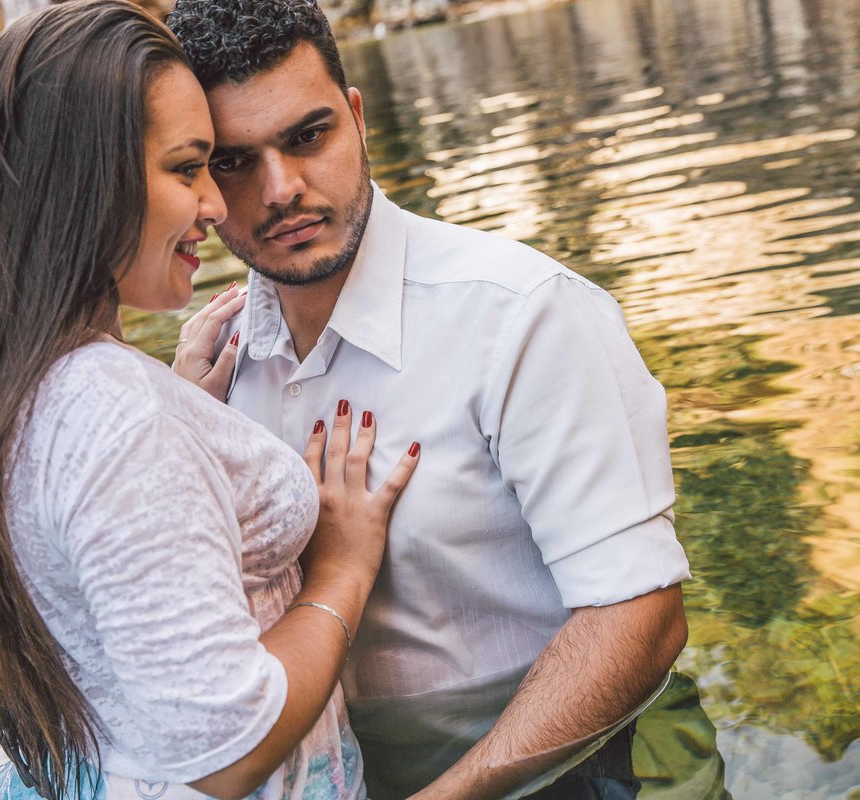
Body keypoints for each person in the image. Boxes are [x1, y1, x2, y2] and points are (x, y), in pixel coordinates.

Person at [162, 2, 692, 798]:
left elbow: (643, 623)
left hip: (592, 764)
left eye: (309, 136)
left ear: (358, 118)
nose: (284, 190)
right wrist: (179, 429)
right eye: (235, 162)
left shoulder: (523, 317)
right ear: (197, 180)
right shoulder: (214, 374)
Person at [0, 2, 418, 799]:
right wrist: (342, 571)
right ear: (86, 179)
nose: (216, 206)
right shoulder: (119, 420)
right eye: (188, 169)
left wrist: (184, 415)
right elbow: (226, 752)